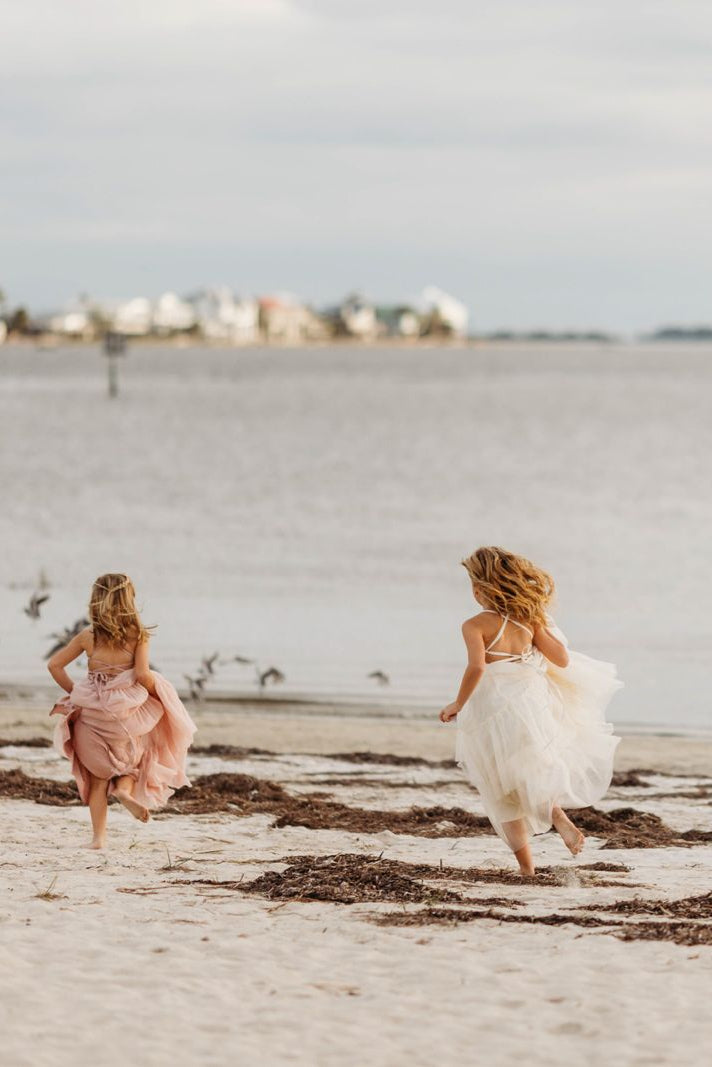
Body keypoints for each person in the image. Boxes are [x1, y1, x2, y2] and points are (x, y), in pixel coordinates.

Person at [439, 546, 621, 876]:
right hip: (530, 702)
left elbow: (477, 668)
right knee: (530, 767)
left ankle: (528, 869)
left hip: (491, 707)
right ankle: (553, 812)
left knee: (498, 786)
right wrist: (538, 622)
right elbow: (562, 659)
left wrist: (458, 704)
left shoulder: (474, 625)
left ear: (481, 588)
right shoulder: (529, 620)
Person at [48, 573, 196, 849]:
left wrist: (75, 692)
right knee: (132, 765)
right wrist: (158, 691)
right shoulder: (138, 635)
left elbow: (54, 665)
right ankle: (126, 794)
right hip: (126, 718)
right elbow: (141, 675)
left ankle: (98, 838)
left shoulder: (87, 637)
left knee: (98, 779)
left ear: (96, 601)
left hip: (93, 715)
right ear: (129, 600)